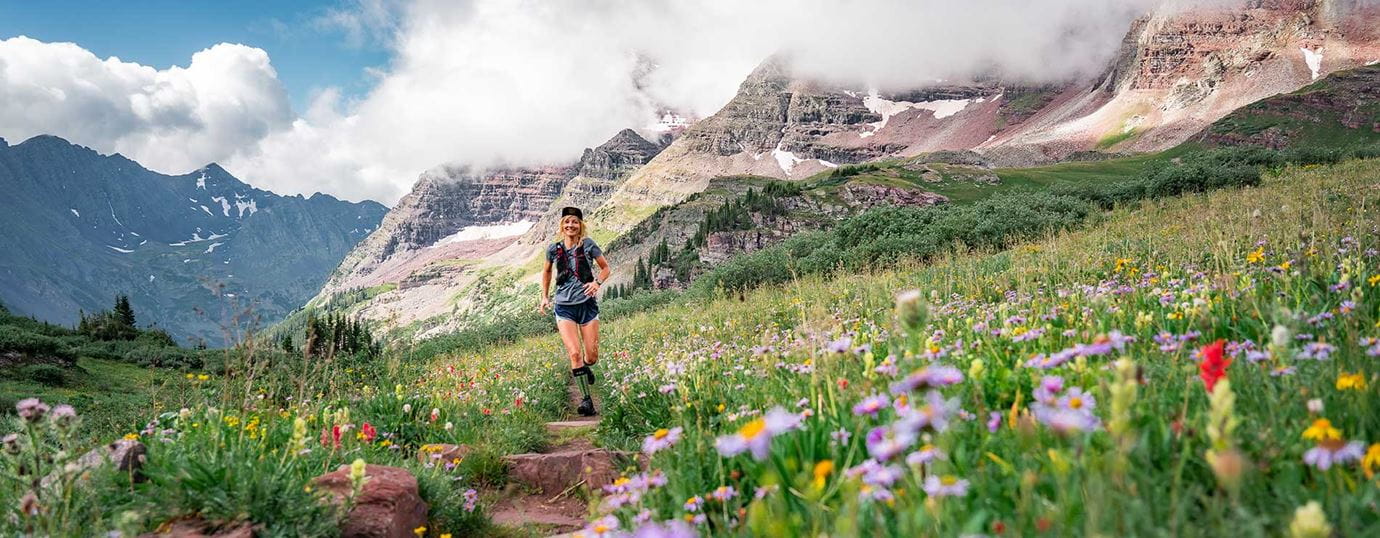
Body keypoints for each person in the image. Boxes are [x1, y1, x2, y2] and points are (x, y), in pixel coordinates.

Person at [540, 206, 611, 416]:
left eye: (575, 222)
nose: (571, 225)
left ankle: (585, 368)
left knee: (591, 357)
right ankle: (586, 401)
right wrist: (544, 297)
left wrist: (597, 283)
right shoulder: (553, 249)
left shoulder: (588, 245)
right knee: (574, 353)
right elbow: (546, 272)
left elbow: (606, 268)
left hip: (587, 306)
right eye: (567, 222)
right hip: (564, 308)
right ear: (562, 226)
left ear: (580, 225)